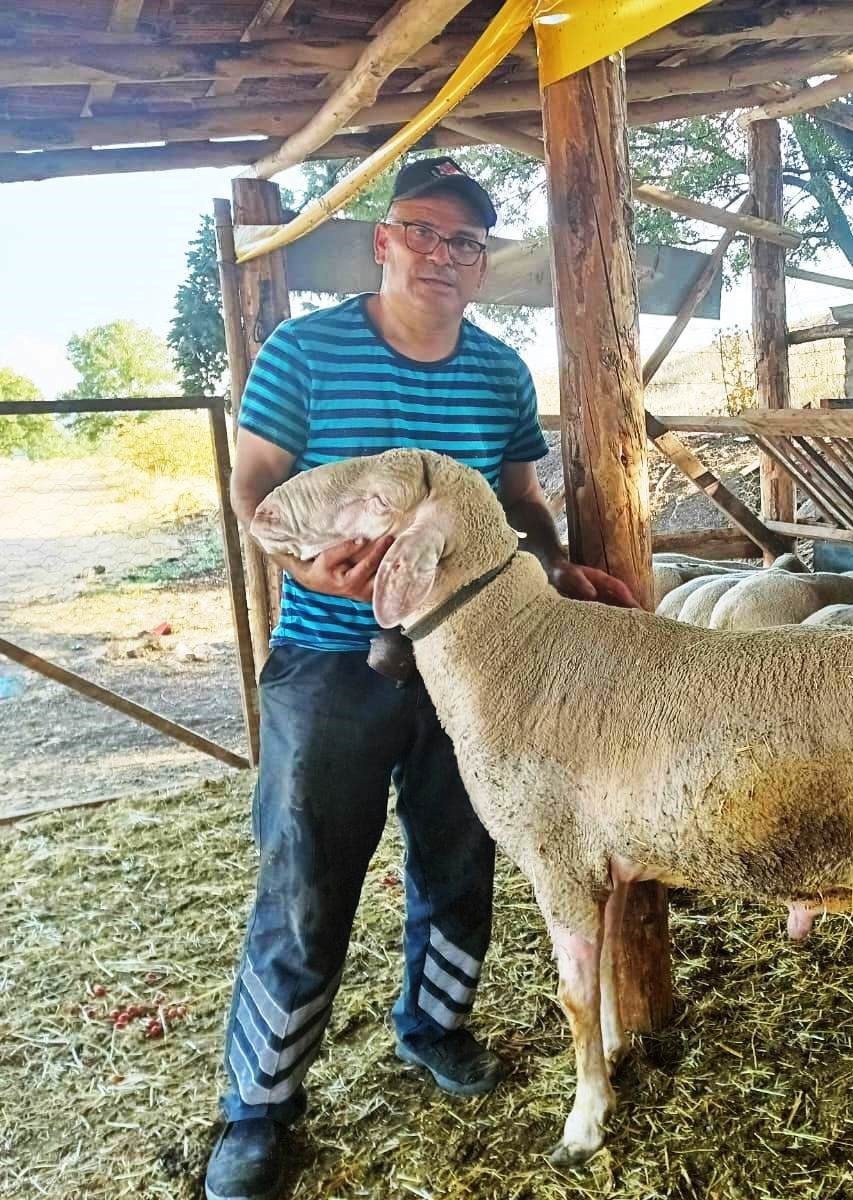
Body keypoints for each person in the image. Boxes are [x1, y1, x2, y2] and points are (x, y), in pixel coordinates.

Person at [204, 156, 635, 1200]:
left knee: (462, 857)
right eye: (424, 232)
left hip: (476, 668)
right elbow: (256, 484)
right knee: (308, 879)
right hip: (329, 653)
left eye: (466, 243)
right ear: (383, 243)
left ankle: (435, 1026)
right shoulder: (304, 353)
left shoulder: (497, 374)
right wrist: (308, 564)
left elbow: (519, 500)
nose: (443, 255)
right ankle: (258, 1108)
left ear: (482, 267)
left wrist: (559, 561)